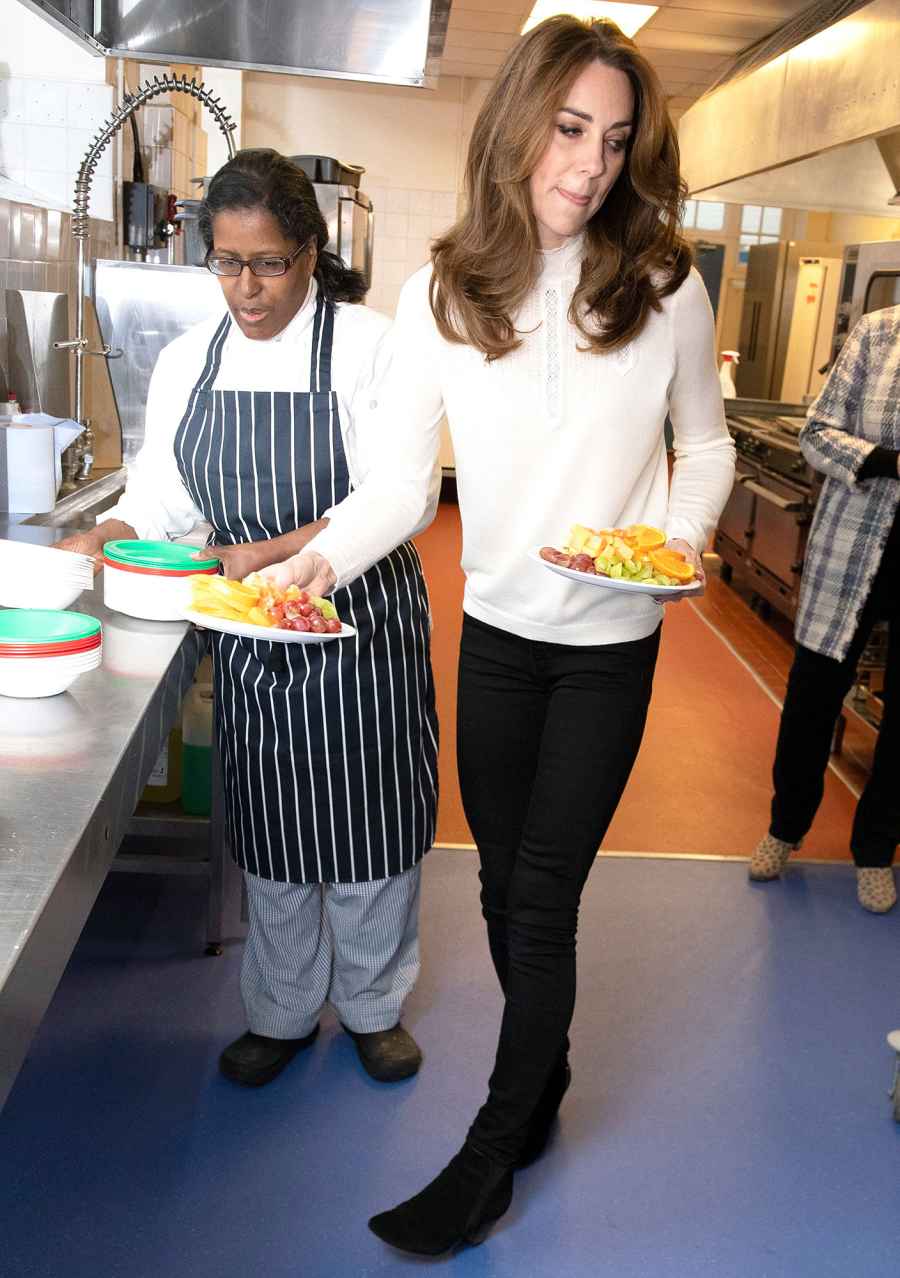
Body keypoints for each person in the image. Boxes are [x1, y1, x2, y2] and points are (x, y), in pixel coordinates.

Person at [262, 17, 735, 1254]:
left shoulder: (665, 285)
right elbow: (402, 487)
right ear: (519, 123)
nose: (588, 163)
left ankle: (490, 1153)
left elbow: (712, 442)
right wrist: (315, 560)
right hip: (499, 635)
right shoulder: (444, 292)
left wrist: (677, 542)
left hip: (611, 643)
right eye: (570, 128)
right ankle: (546, 1083)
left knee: (540, 901)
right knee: (495, 888)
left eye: (616, 139)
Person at [56, 149, 440, 1087]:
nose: (246, 288)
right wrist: (113, 529)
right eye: (227, 263)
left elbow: (403, 493)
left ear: (310, 251)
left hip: (359, 624)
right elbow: (164, 489)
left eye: (267, 263)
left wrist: (288, 560)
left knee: (370, 829)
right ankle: (278, 1010)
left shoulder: (371, 346)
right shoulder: (193, 358)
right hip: (251, 635)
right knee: (273, 830)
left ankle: (372, 1008)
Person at [749, 306, 900, 914]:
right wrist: (890, 462)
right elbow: (817, 433)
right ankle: (785, 829)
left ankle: (875, 852)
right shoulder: (878, 333)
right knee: (813, 696)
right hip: (852, 548)